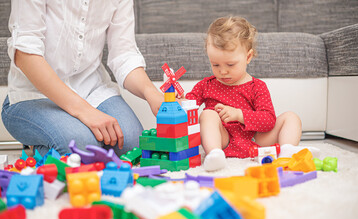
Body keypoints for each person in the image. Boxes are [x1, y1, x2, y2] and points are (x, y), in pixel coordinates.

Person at [1, 0, 163, 157]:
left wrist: (151, 93)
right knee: (81, 146)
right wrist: (85, 111)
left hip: (91, 89)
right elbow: (25, 54)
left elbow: (124, 55)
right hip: (34, 95)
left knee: (132, 144)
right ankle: (39, 142)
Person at [185, 16, 318, 171]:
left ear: (248, 57)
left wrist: (239, 114)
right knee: (207, 114)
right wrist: (180, 100)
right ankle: (214, 154)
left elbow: (268, 120)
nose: (222, 71)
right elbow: (189, 104)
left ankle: (287, 151)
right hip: (224, 139)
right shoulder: (206, 85)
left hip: (257, 139)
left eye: (230, 64)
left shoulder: (257, 86)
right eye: (215, 64)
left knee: (291, 117)